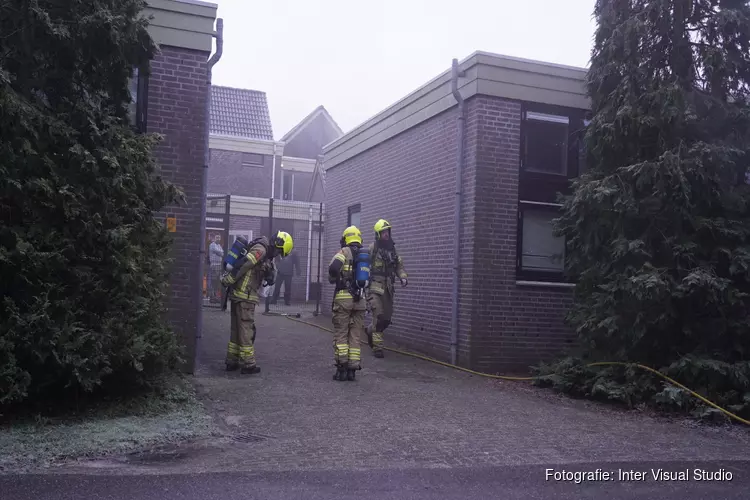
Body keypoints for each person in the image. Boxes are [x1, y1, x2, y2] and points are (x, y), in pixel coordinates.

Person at [221, 231, 294, 374]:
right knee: (247, 330)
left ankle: (232, 361)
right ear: (278, 245)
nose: (278, 254)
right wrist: (229, 279)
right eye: (280, 251)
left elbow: (260, 270)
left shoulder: (263, 250)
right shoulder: (261, 250)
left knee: (237, 330)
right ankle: (248, 364)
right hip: (245, 295)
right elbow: (245, 264)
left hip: (239, 295)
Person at [328, 226, 367, 381]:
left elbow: (333, 269)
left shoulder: (343, 252)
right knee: (355, 336)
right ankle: (353, 370)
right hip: (361, 301)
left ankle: (341, 369)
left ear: (345, 239)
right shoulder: (365, 256)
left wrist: (339, 279)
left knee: (341, 334)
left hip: (344, 300)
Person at [367, 219, 407, 358]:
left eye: (387, 231)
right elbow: (364, 265)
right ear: (378, 234)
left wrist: (403, 277)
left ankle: (370, 330)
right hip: (374, 287)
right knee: (378, 315)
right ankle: (377, 348)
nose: (386, 234)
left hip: (388, 289)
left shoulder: (393, 250)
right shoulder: (373, 248)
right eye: (383, 232)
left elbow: (399, 266)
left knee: (387, 319)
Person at [208, 235, 224, 303]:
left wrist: (220, 253)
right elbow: (219, 252)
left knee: (217, 281)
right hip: (214, 265)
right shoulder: (212, 245)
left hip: (219, 265)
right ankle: (212, 297)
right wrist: (220, 253)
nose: (218, 239)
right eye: (217, 237)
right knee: (213, 281)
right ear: (214, 238)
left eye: (219, 237)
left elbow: (222, 253)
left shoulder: (219, 245)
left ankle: (216, 297)